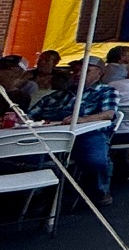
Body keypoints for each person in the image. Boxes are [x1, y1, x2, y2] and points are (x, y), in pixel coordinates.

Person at [28, 56, 119, 204]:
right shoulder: (57, 95)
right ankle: (36, 194)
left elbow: (109, 113)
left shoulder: (106, 91)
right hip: (50, 136)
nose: (78, 74)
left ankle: (99, 191)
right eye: (75, 71)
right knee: (20, 157)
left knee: (95, 161)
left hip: (86, 135)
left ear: (99, 74)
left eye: (86, 71)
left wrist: (84, 119)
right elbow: (29, 116)